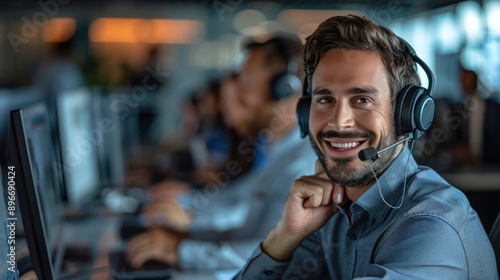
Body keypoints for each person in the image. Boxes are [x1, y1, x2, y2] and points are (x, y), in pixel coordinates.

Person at [234, 15, 497, 279]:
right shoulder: (331, 214)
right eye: (325, 99)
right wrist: (283, 237)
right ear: (305, 114)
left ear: (406, 114)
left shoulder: (429, 227)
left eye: (362, 99)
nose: (338, 121)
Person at [125, 34, 318, 271]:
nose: (233, 96)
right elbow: (242, 218)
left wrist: (181, 245)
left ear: (287, 95)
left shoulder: (303, 167)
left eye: (245, 86)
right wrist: (186, 231)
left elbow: (272, 254)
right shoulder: (277, 152)